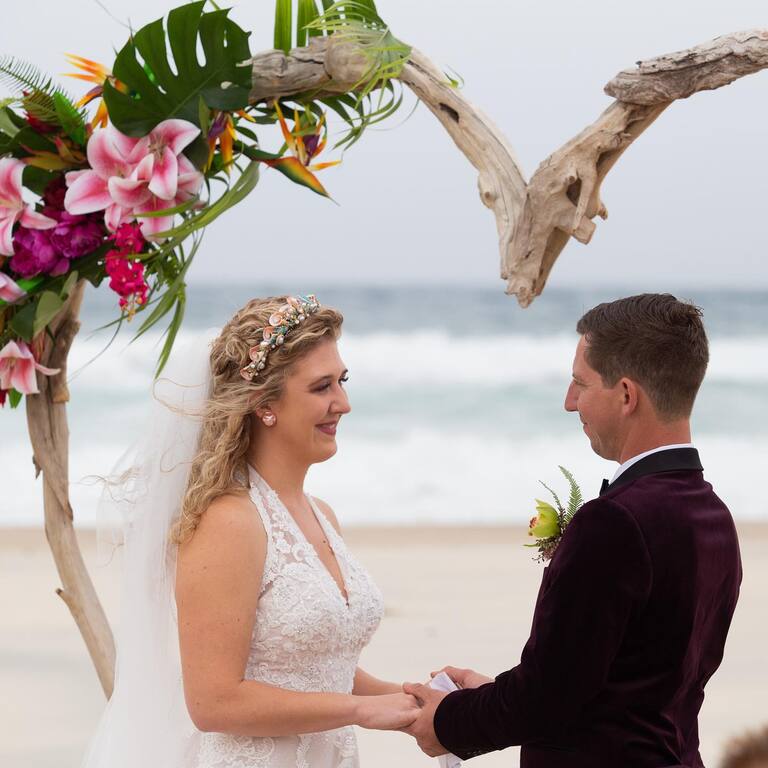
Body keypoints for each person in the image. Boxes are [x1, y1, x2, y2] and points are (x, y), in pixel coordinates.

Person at [403, 293, 742, 768]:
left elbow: (548, 696)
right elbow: (617, 684)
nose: (569, 401)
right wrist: (491, 694)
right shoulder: (716, 517)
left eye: (580, 384)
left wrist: (447, 721)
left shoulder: (615, 522)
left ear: (627, 395)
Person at [81, 294, 418, 768]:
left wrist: (416, 699)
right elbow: (214, 703)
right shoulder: (228, 523)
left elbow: (317, 666)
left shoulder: (320, 514)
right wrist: (361, 710)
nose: (342, 402)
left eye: (341, 381)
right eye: (321, 387)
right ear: (263, 403)